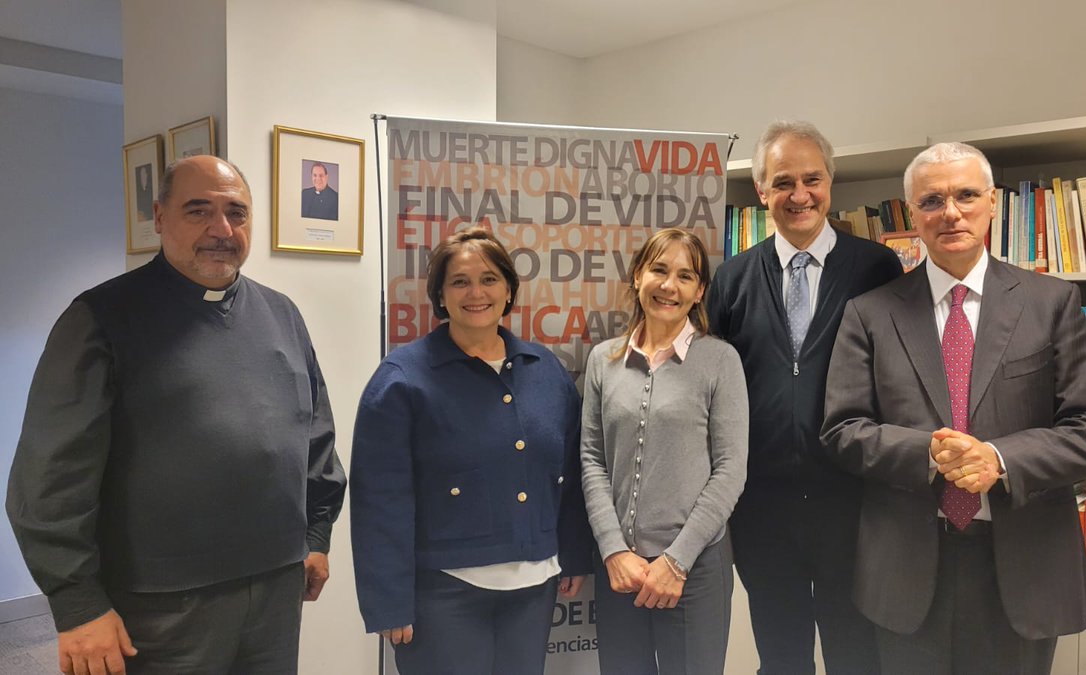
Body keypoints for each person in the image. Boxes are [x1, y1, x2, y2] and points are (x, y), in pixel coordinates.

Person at [6, 155, 348, 674]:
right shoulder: (100, 319)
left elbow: (315, 434)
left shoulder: (281, 314)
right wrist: (78, 604)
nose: (221, 229)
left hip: (277, 590)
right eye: (198, 211)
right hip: (160, 606)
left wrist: (317, 535)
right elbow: (50, 476)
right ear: (160, 217)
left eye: (236, 212)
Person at [821, 142, 1086, 674]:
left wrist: (999, 459)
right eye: (932, 201)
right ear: (912, 213)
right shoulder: (870, 313)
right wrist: (929, 453)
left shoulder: (1052, 302)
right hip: (907, 569)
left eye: (965, 195)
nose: (951, 213)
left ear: (992, 202)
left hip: (1023, 570)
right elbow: (843, 429)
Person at [705, 121, 902, 674]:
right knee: (781, 656)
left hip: (853, 504)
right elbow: (714, 390)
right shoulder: (733, 279)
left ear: (830, 183)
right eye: (783, 182)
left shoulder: (877, 269)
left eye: (812, 179)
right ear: (761, 191)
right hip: (762, 509)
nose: (800, 195)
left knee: (856, 655)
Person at [350, 226, 591, 674]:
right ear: (440, 296)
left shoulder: (545, 370)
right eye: (460, 281)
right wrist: (388, 601)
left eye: (489, 279)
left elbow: (570, 474)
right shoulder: (402, 379)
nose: (476, 293)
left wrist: (575, 553)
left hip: (534, 588)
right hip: (443, 596)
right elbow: (380, 498)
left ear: (508, 290)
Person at [581, 227, 748, 675]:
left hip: (694, 569)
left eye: (685, 276)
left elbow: (730, 470)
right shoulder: (603, 360)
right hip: (621, 570)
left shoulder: (720, 361)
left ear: (700, 291)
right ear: (638, 275)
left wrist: (676, 562)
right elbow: (592, 460)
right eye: (658, 270)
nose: (669, 286)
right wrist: (613, 550)